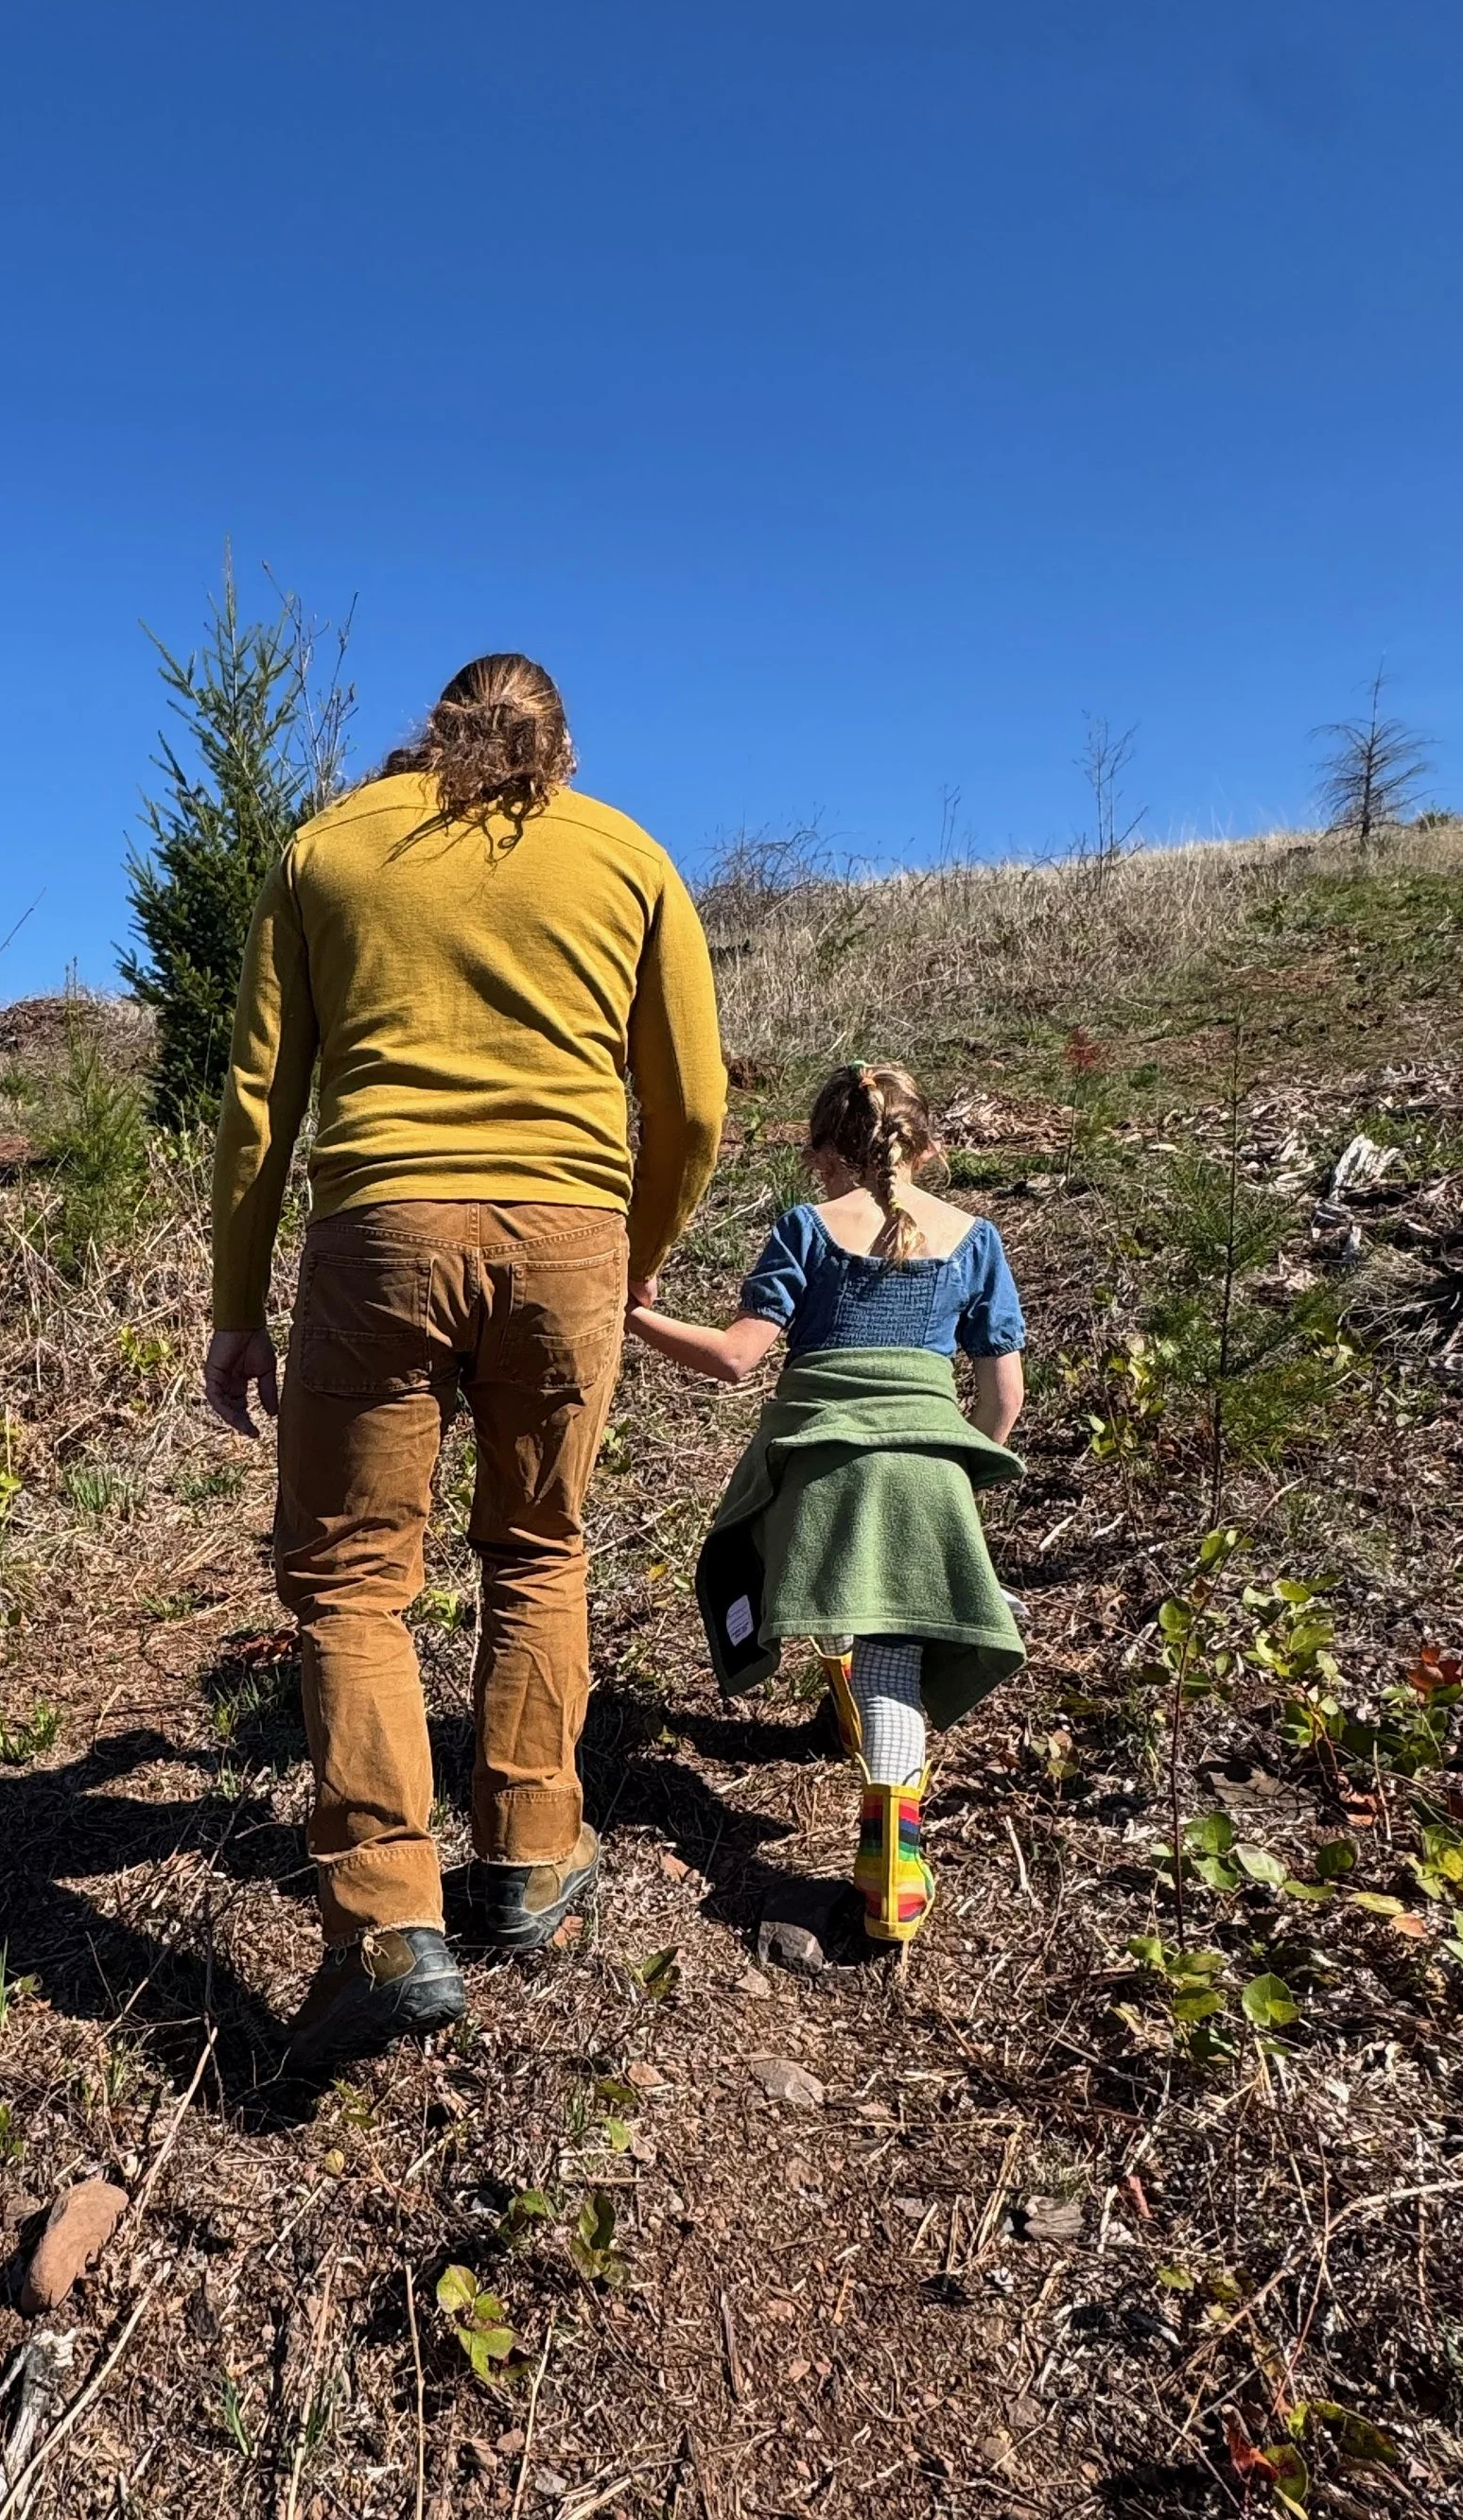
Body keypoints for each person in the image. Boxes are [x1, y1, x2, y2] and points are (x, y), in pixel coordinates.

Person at [204, 655, 726, 2071]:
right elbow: (694, 1097)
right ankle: (531, 1853)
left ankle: (386, 1916)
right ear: (564, 736)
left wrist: (238, 1298)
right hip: (570, 1234)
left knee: (352, 1577)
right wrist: (640, 1246)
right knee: (539, 1544)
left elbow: (261, 1103)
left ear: (434, 727)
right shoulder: (627, 857)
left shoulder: (329, 847)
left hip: (379, 1227)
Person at [625, 1060, 1026, 1943]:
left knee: (805, 1570)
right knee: (894, 1636)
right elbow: (1003, 1399)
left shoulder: (806, 1229)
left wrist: (633, 1315)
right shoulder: (976, 1239)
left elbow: (735, 1359)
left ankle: (874, 1799)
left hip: (822, 1467)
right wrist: (963, 1468)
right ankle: (894, 1860)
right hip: (930, 1466)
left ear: (820, 1153)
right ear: (924, 1144)